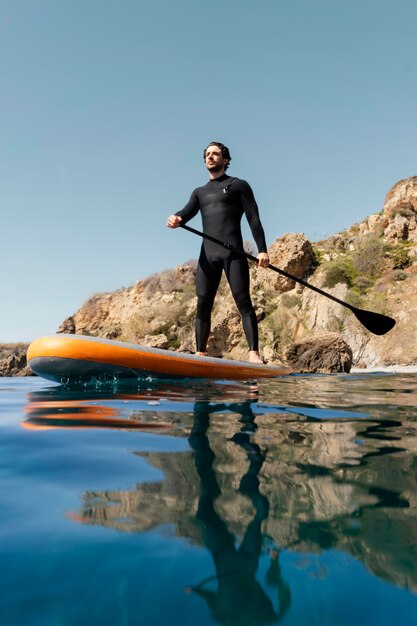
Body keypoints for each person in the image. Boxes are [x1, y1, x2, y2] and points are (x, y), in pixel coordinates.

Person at [167, 142, 269, 364]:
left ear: (225, 159)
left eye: (215, 154)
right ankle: (200, 354)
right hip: (208, 256)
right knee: (203, 302)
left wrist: (262, 250)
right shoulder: (199, 192)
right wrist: (176, 218)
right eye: (207, 155)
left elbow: (253, 218)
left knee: (243, 300)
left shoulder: (238, 185)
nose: (210, 157)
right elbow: (186, 212)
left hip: (233, 254)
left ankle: (253, 353)